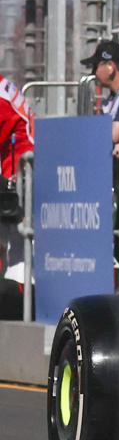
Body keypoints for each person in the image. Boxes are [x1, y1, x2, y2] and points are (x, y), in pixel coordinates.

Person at [0, 73, 34, 302]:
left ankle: (19, 298)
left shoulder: (1, 99)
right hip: (18, 173)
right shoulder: (4, 86)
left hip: (20, 174)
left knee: (19, 248)